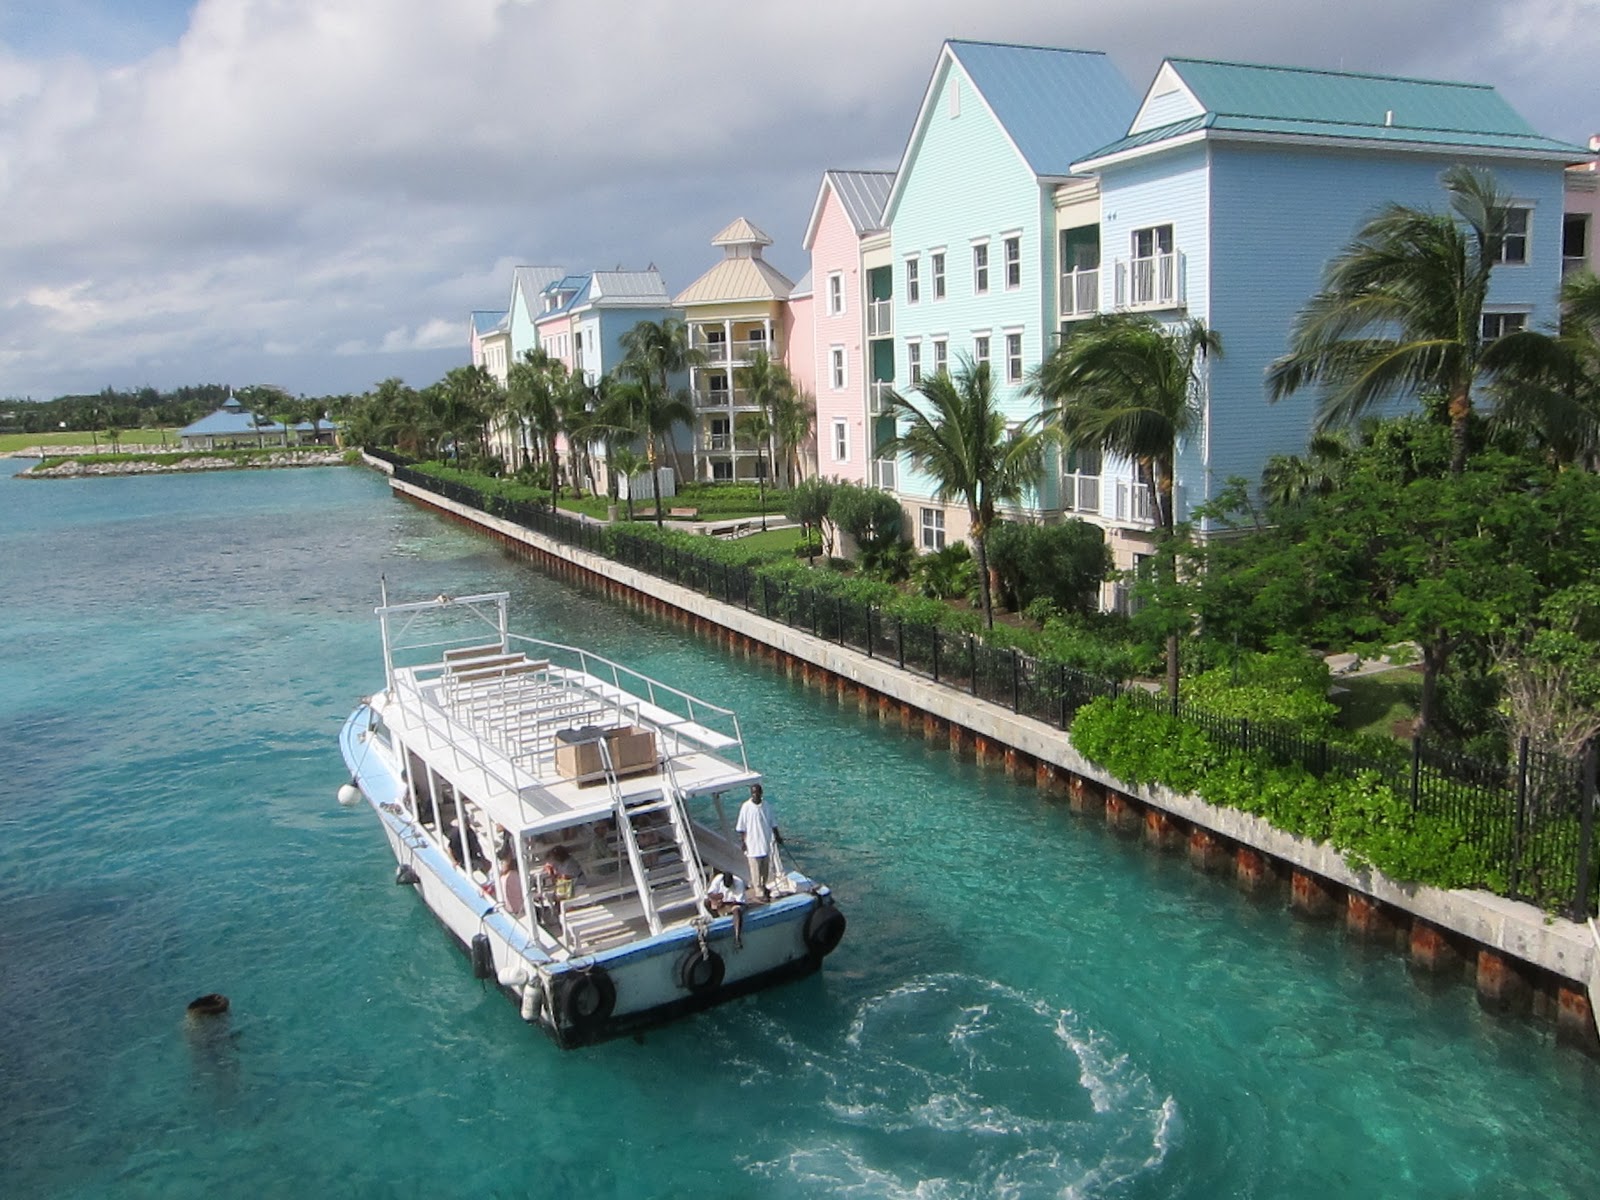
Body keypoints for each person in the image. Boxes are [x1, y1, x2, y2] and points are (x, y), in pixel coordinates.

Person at [735, 783, 780, 899]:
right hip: (752, 845)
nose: (755, 795)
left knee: (764, 870)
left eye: (757, 792)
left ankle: (763, 885)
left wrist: (778, 836)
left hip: (765, 844)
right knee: (755, 871)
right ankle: (759, 892)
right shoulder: (746, 807)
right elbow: (741, 827)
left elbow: (773, 823)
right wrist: (743, 842)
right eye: (753, 792)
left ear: (761, 793)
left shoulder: (767, 806)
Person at [705, 871, 746, 948]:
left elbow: (739, 902)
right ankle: (717, 919)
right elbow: (710, 894)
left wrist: (724, 904)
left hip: (734, 904)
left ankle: (737, 937)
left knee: (736, 910)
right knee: (706, 902)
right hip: (722, 902)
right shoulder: (718, 879)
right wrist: (717, 898)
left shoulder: (739, 883)